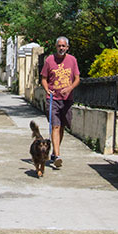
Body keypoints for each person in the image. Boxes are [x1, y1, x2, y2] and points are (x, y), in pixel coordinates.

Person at [40, 36, 80, 168]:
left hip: (67, 100)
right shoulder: (49, 60)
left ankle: (55, 152)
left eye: (64, 46)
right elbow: (44, 79)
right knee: (55, 126)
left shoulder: (72, 60)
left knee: (62, 127)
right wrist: (47, 90)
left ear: (67, 47)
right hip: (53, 99)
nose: (61, 48)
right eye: (59, 46)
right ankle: (57, 155)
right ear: (56, 47)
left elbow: (77, 79)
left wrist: (69, 88)